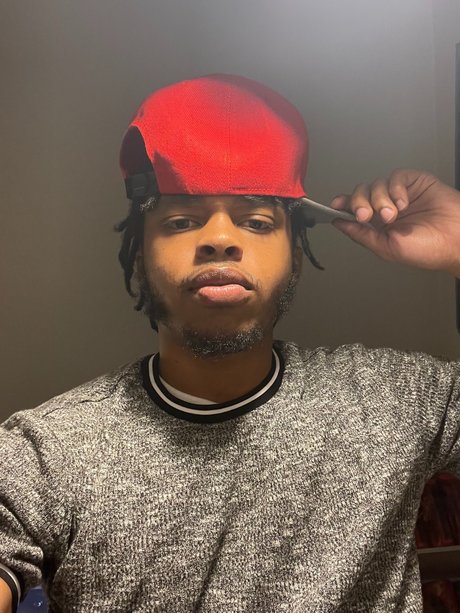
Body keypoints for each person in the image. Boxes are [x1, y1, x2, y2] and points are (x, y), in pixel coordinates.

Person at [0, 73, 459, 613]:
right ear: (140, 255)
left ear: (294, 253)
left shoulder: (395, 400)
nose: (220, 239)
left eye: (256, 221)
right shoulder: (48, 452)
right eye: (181, 220)